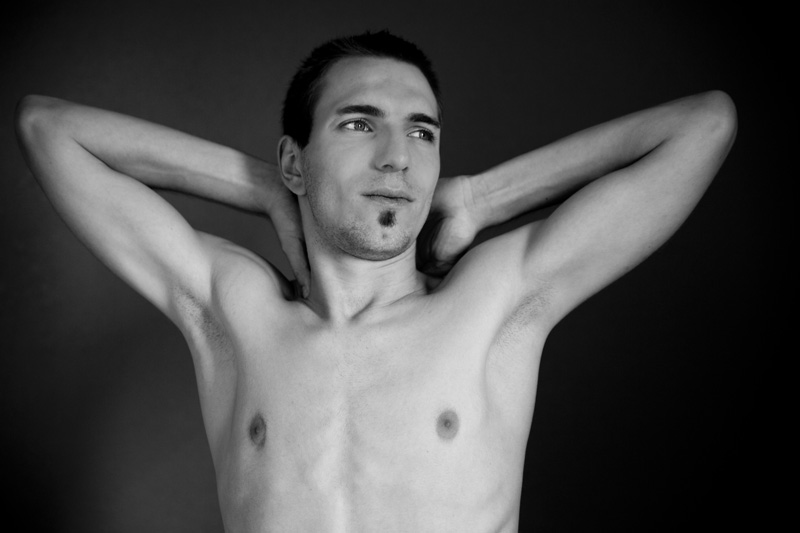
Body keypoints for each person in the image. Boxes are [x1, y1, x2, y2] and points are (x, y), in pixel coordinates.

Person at [15, 30, 736, 533]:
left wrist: (484, 197)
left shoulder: (496, 303)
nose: (398, 158)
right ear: (295, 160)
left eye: (422, 133)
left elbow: (704, 126)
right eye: (361, 125)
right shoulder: (235, 312)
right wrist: (267, 189)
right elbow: (48, 128)